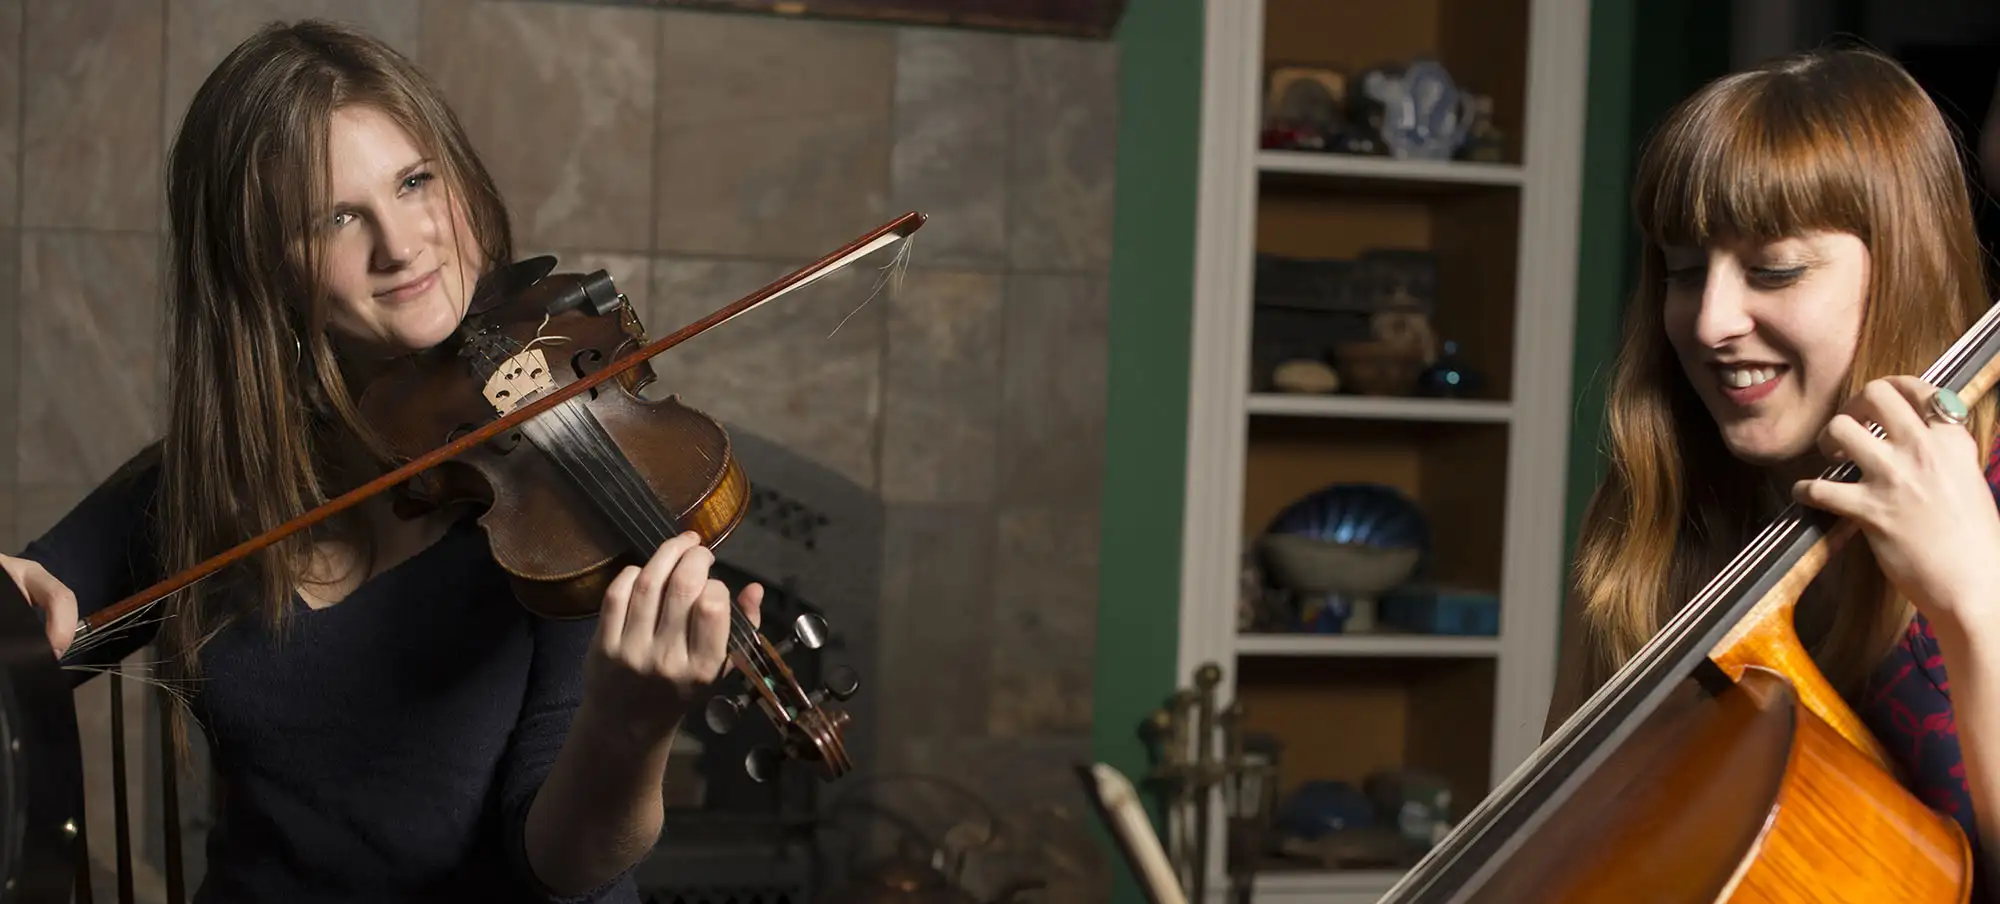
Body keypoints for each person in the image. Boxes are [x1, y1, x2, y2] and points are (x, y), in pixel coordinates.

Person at [0, 19, 757, 903]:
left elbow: (560, 866)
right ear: (260, 270)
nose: (402, 247)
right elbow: (23, 621)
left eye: (413, 182)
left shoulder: (568, 483)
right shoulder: (208, 480)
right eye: (337, 217)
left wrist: (631, 730)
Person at [1546, 46, 2000, 892]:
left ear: (1902, 265)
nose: (1711, 320)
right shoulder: (1653, 513)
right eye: (1684, 272)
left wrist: (1975, 598)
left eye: (1774, 269)